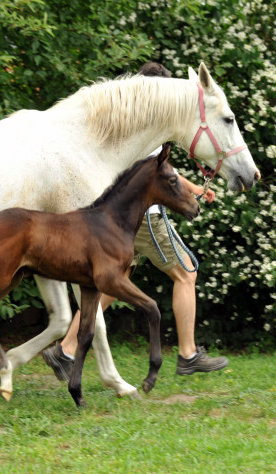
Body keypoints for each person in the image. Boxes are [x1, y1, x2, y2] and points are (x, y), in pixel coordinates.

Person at [42, 62, 228, 381]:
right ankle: (188, 354)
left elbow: (154, 166)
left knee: (116, 281)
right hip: (147, 217)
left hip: (123, 215)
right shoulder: (149, 121)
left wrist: (194, 188)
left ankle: (66, 350)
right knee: (186, 273)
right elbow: (155, 170)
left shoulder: (127, 119)